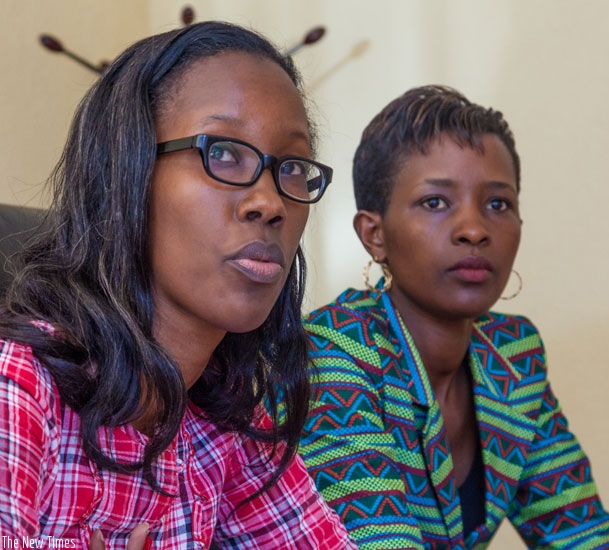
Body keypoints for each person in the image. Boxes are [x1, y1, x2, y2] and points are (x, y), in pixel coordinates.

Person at [0, 21, 355, 549]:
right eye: (224, 152)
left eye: (293, 167)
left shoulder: (222, 422)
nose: (271, 202)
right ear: (127, 174)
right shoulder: (18, 390)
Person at [299, 85, 609, 549]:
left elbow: (582, 534)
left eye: (498, 204)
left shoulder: (513, 357)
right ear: (374, 234)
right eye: (435, 202)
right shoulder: (334, 354)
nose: (475, 229)